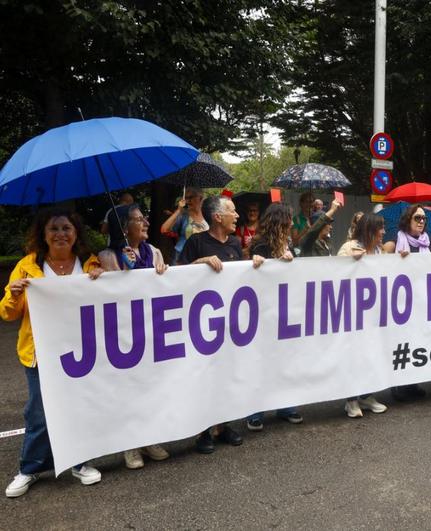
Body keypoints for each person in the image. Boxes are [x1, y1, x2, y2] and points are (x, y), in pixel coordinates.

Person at [2, 208, 105, 497]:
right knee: (39, 412)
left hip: (82, 352)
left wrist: (103, 277)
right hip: (40, 354)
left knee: (79, 406)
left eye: (66, 228)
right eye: (54, 229)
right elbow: (8, 314)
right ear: (43, 235)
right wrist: (13, 293)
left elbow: (107, 301)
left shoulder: (89, 263)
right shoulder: (27, 266)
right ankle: (30, 468)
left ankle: (80, 462)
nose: (60, 234)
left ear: (76, 234)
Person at [179, 195, 258, 453]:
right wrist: (198, 264)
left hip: (230, 326)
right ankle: (202, 430)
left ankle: (222, 425)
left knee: (226, 375)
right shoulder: (197, 242)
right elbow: (176, 276)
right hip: (201, 327)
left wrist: (254, 264)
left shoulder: (235, 243)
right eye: (232, 212)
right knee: (204, 376)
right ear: (217, 216)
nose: (237, 216)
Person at [98, 204, 171, 468]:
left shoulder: (154, 252)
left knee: (150, 386)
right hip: (124, 335)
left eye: (144, 218)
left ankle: (150, 437)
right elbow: (108, 295)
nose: (146, 223)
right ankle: (130, 445)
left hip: (152, 331)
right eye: (139, 219)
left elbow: (167, 288)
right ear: (124, 227)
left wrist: (164, 276)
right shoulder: (108, 256)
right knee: (127, 389)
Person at [246, 203, 306, 429]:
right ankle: (255, 411)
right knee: (262, 360)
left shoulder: (286, 243)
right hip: (263, 312)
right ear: (280, 221)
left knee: (284, 360)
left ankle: (286, 405)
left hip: (283, 311)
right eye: (289, 219)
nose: (292, 223)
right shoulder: (260, 244)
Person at [336, 214, 390, 417]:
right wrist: (350, 261)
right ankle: (351, 400)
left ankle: (366, 396)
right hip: (352, 313)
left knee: (371, 353)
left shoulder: (378, 250)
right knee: (353, 355)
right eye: (380, 228)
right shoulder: (349, 247)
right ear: (369, 230)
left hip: (373, 313)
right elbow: (332, 272)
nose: (383, 232)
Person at [384, 204, 431, 401]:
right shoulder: (395, 237)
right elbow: (378, 261)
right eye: (417, 218)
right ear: (408, 219)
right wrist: (397, 260)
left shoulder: (427, 240)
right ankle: (398, 385)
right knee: (401, 342)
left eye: (423, 218)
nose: (421, 221)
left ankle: (413, 383)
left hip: (422, 300)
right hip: (400, 301)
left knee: (417, 341)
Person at [160, 188, 208, 264]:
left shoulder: (208, 215)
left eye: (191, 197)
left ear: (200, 198)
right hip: (181, 256)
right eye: (186, 198)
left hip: (202, 256)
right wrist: (178, 210)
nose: (187, 201)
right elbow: (164, 229)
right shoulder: (183, 215)